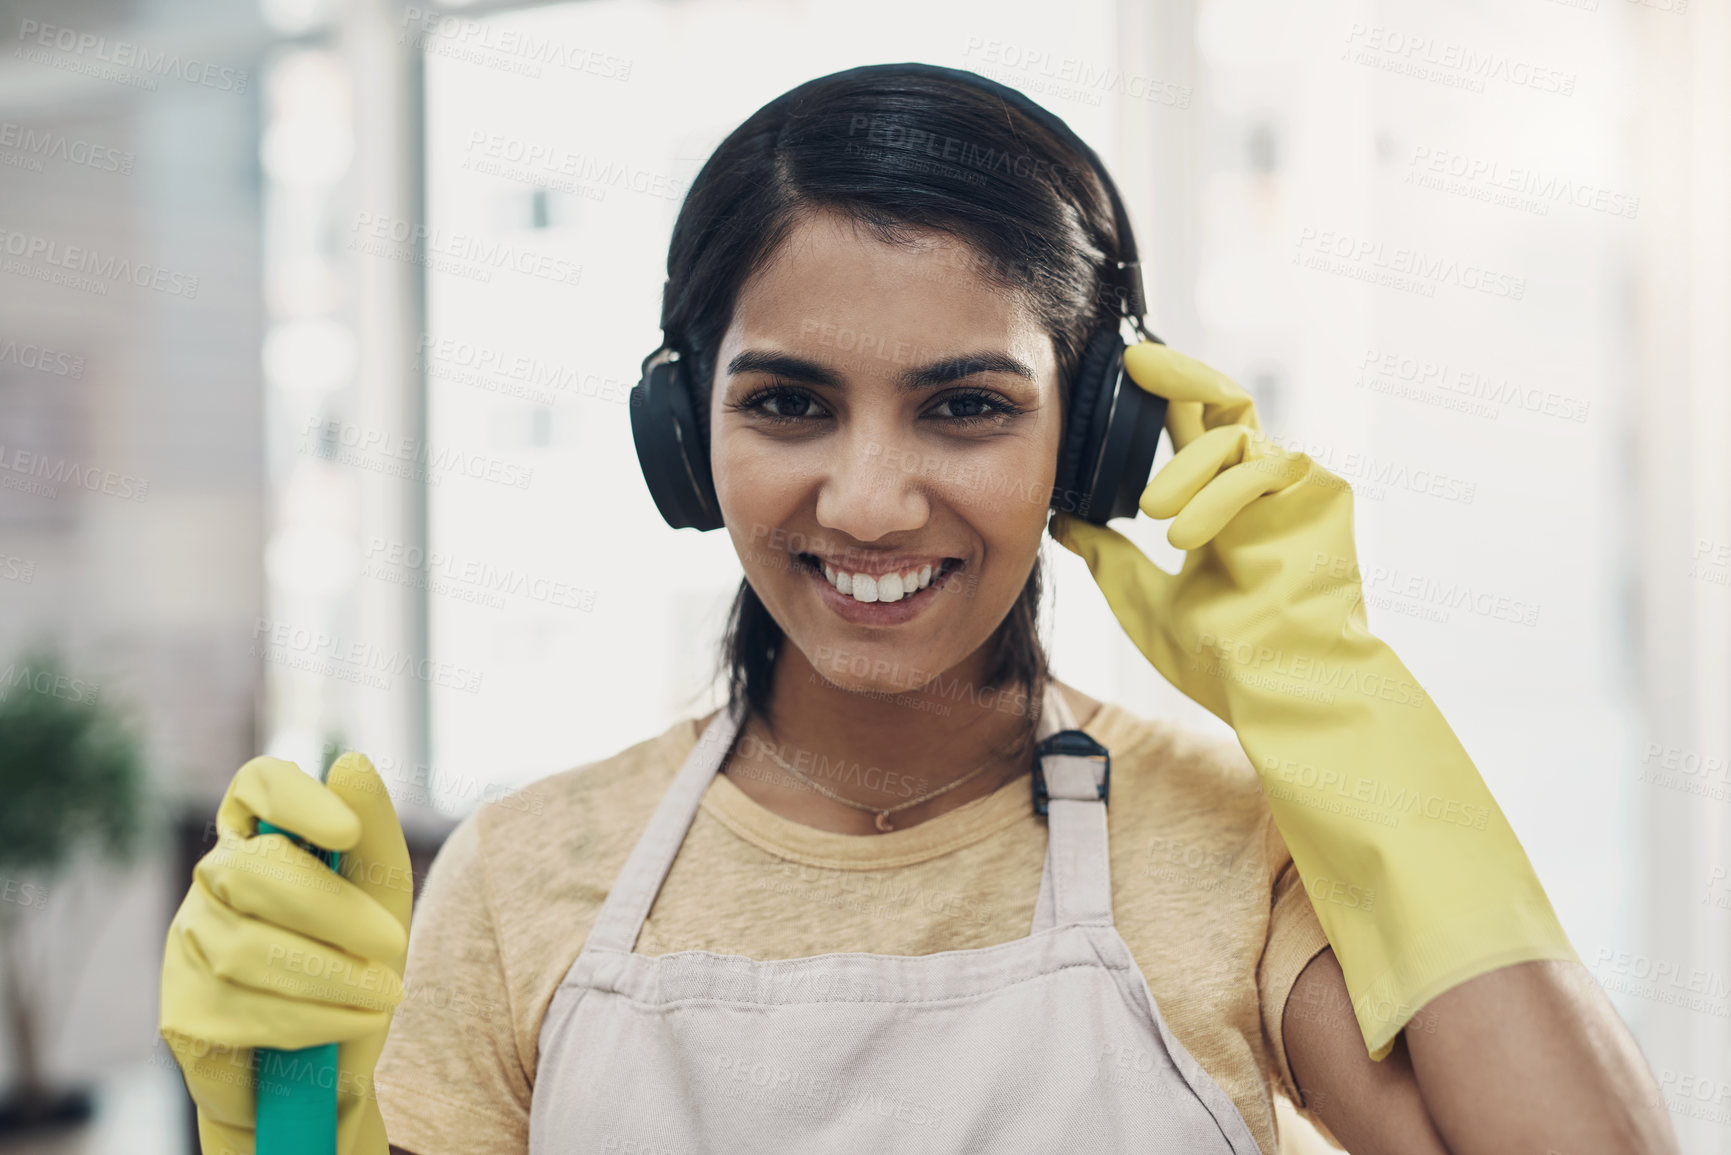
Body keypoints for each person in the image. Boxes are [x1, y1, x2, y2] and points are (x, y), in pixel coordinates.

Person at [159, 64, 1680, 1155]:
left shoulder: (1230, 843)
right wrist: (304, 1131)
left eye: (963, 406)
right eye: (790, 404)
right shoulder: (525, 874)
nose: (870, 502)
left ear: (1089, 438)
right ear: (688, 438)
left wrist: (1331, 698)